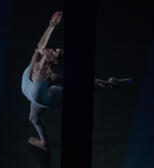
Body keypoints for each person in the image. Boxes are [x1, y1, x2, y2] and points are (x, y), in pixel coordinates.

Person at [21, 11, 132, 150]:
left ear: (54, 60)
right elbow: (40, 45)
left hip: (50, 98)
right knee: (33, 118)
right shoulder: (36, 60)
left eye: (55, 51)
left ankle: (111, 84)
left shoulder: (51, 77)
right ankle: (44, 143)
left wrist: (104, 83)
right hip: (36, 96)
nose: (51, 49)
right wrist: (51, 26)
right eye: (55, 48)